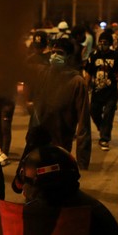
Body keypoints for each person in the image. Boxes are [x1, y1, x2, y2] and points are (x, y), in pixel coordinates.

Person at [28, 37, 91, 170]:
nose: (55, 56)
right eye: (53, 52)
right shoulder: (42, 74)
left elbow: (83, 122)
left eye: (60, 53)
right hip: (38, 143)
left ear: (68, 56)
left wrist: (82, 158)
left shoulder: (77, 82)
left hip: (61, 146)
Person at [85, 31, 118, 151]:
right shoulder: (93, 56)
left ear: (109, 44)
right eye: (100, 42)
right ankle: (101, 128)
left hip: (111, 92)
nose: (102, 45)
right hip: (97, 91)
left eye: (105, 43)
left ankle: (104, 138)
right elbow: (88, 73)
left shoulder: (116, 56)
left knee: (109, 114)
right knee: (93, 111)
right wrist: (85, 88)